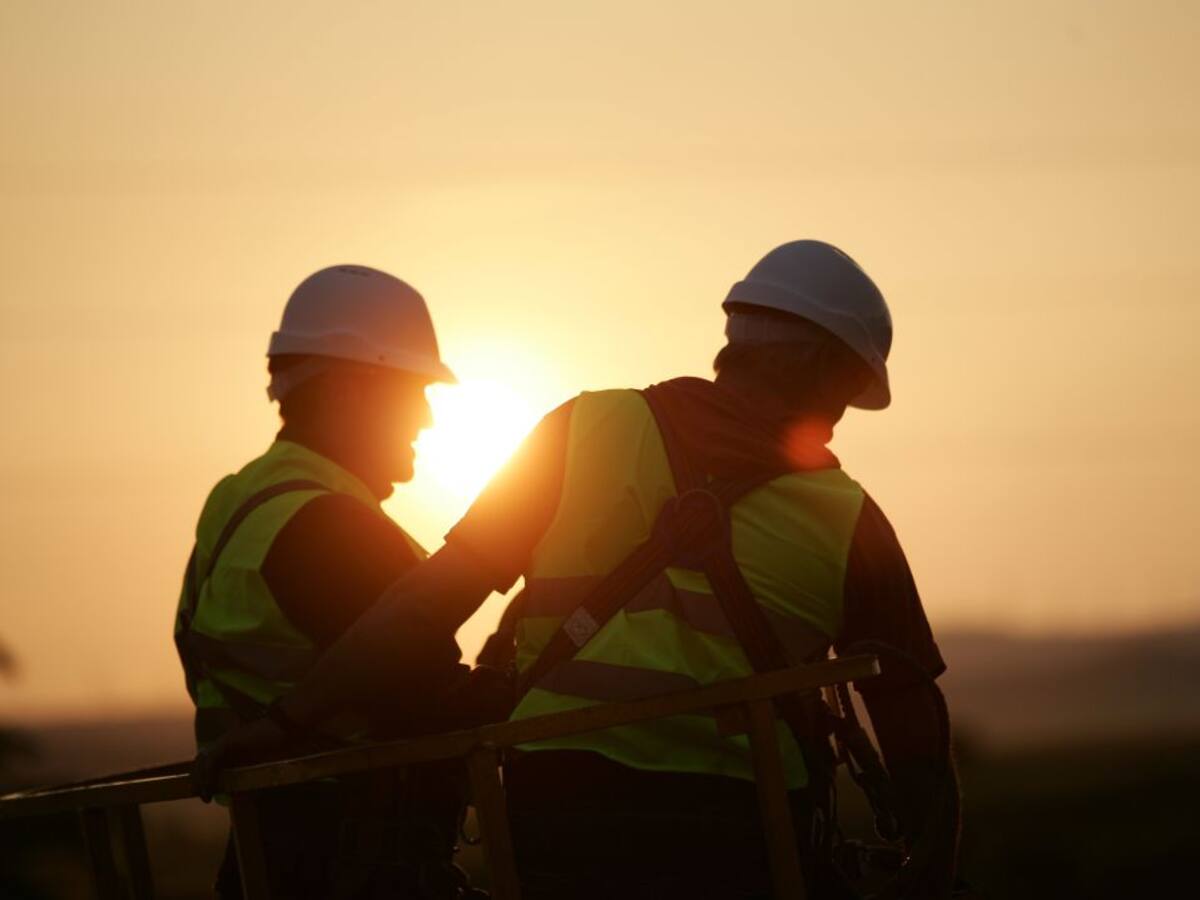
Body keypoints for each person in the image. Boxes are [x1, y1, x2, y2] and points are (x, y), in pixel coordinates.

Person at [199, 241, 960, 898]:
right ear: (826, 372)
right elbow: (910, 720)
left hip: (557, 823)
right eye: (846, 397)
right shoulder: (851, 519)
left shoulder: (581, 428)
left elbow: (426, 603)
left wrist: (284, 723)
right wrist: (934, 863)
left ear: (734, 342)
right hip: (746, 834)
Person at [174, 265, 471, 899]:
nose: (425, 419)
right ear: (351, 391)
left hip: (266, 855)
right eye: (414, 391)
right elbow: (436, 701)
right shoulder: (330, 525)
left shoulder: (239, 501)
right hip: (355, 861)